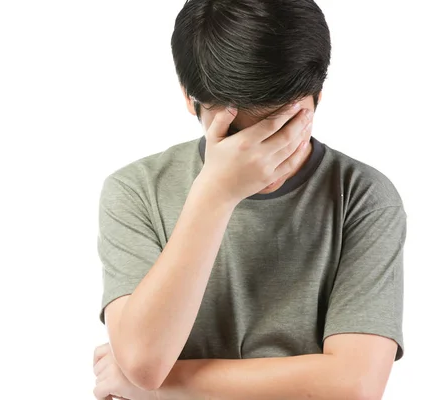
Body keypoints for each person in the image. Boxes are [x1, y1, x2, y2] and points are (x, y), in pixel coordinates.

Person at [93, 1, 406, 399]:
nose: (262, 160)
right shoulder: (136, 189)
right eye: (235, 136)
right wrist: (216, 194)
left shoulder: (362, 196)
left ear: (318, 98)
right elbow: (144, 361)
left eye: (285, 128)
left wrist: (163, 391)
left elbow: (354, 386)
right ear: (190, 100)